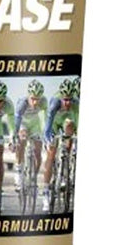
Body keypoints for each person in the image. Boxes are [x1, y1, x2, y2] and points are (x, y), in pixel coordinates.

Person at [43, 78, 79, 211]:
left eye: (70, 99)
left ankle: (65, 167)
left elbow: (78, 123)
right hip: (54, 124)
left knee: (70, 127)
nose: (68, 102)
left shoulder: (76, 103)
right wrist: (48, 139)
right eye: (65, 100)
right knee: (51, 154)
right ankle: (46, 191)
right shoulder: (55, 102)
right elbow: (47, 127)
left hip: (66, 122)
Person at [14, 79, 47, 193]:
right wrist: (16, 135)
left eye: (38, 99)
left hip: (35, 124)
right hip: (23, 123)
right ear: (28, 96)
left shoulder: (44, 101)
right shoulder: (22, 103)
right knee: (21, 143)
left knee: (38, 151)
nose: (35, 102)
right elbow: (16, 121)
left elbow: (46, 118)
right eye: (33, 99)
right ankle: (18, 172)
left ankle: (33, 178)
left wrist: (45, 133)